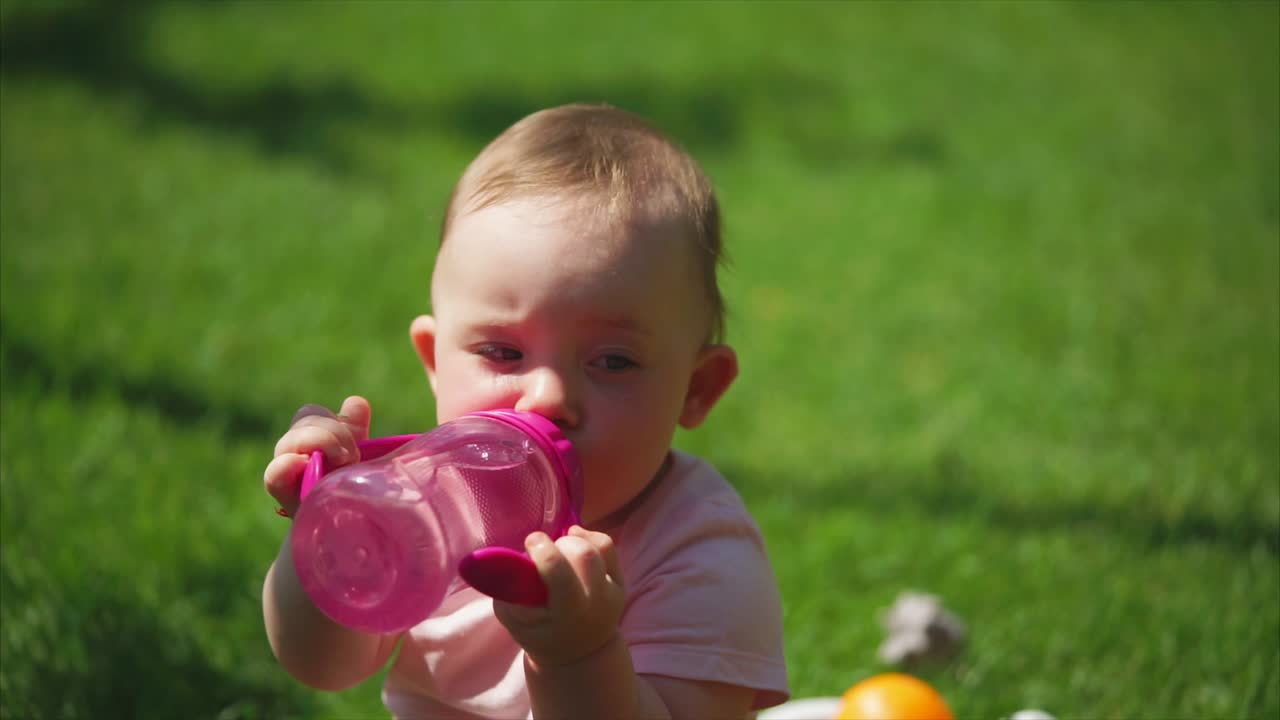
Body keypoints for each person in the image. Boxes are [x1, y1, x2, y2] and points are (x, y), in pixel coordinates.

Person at [262, 103, 789, 719]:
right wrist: (324, 530)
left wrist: (579, 656)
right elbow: (323, 665)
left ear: (697, 388)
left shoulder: (699, 554)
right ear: (435, 361)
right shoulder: (420, 499)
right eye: (503, 351)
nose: (546, 398)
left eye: (614, 362)